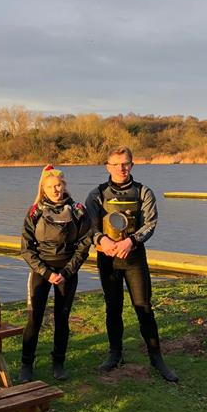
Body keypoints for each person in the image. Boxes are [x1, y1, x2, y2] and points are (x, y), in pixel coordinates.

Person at [85, 147, 178, 382]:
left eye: (126, 164)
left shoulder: (144, 192)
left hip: (134, 257)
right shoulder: (97, 194)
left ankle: (156, 358)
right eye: (116, 164)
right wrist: (102, 240)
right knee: (113, 308)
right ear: (107, 166)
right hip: (108, 259)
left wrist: (131, 241)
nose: (121, 168)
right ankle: (114, 354)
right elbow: (89, 227)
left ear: (132, 165)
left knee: (143, 306)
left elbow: (150, 223)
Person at [18, 165, 92, 383]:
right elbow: (26, 247)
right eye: (51, 187)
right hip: (41, 271)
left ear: (64, 185)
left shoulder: (77, 210)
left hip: (67, 271)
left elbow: (84, 243)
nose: (56, 190)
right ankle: (26, 364)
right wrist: (46, 272)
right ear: (44, 188)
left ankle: (58, 362)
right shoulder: (35, 211)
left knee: (62, 317)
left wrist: (68, 271)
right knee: (34, 318)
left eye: (59, 185)